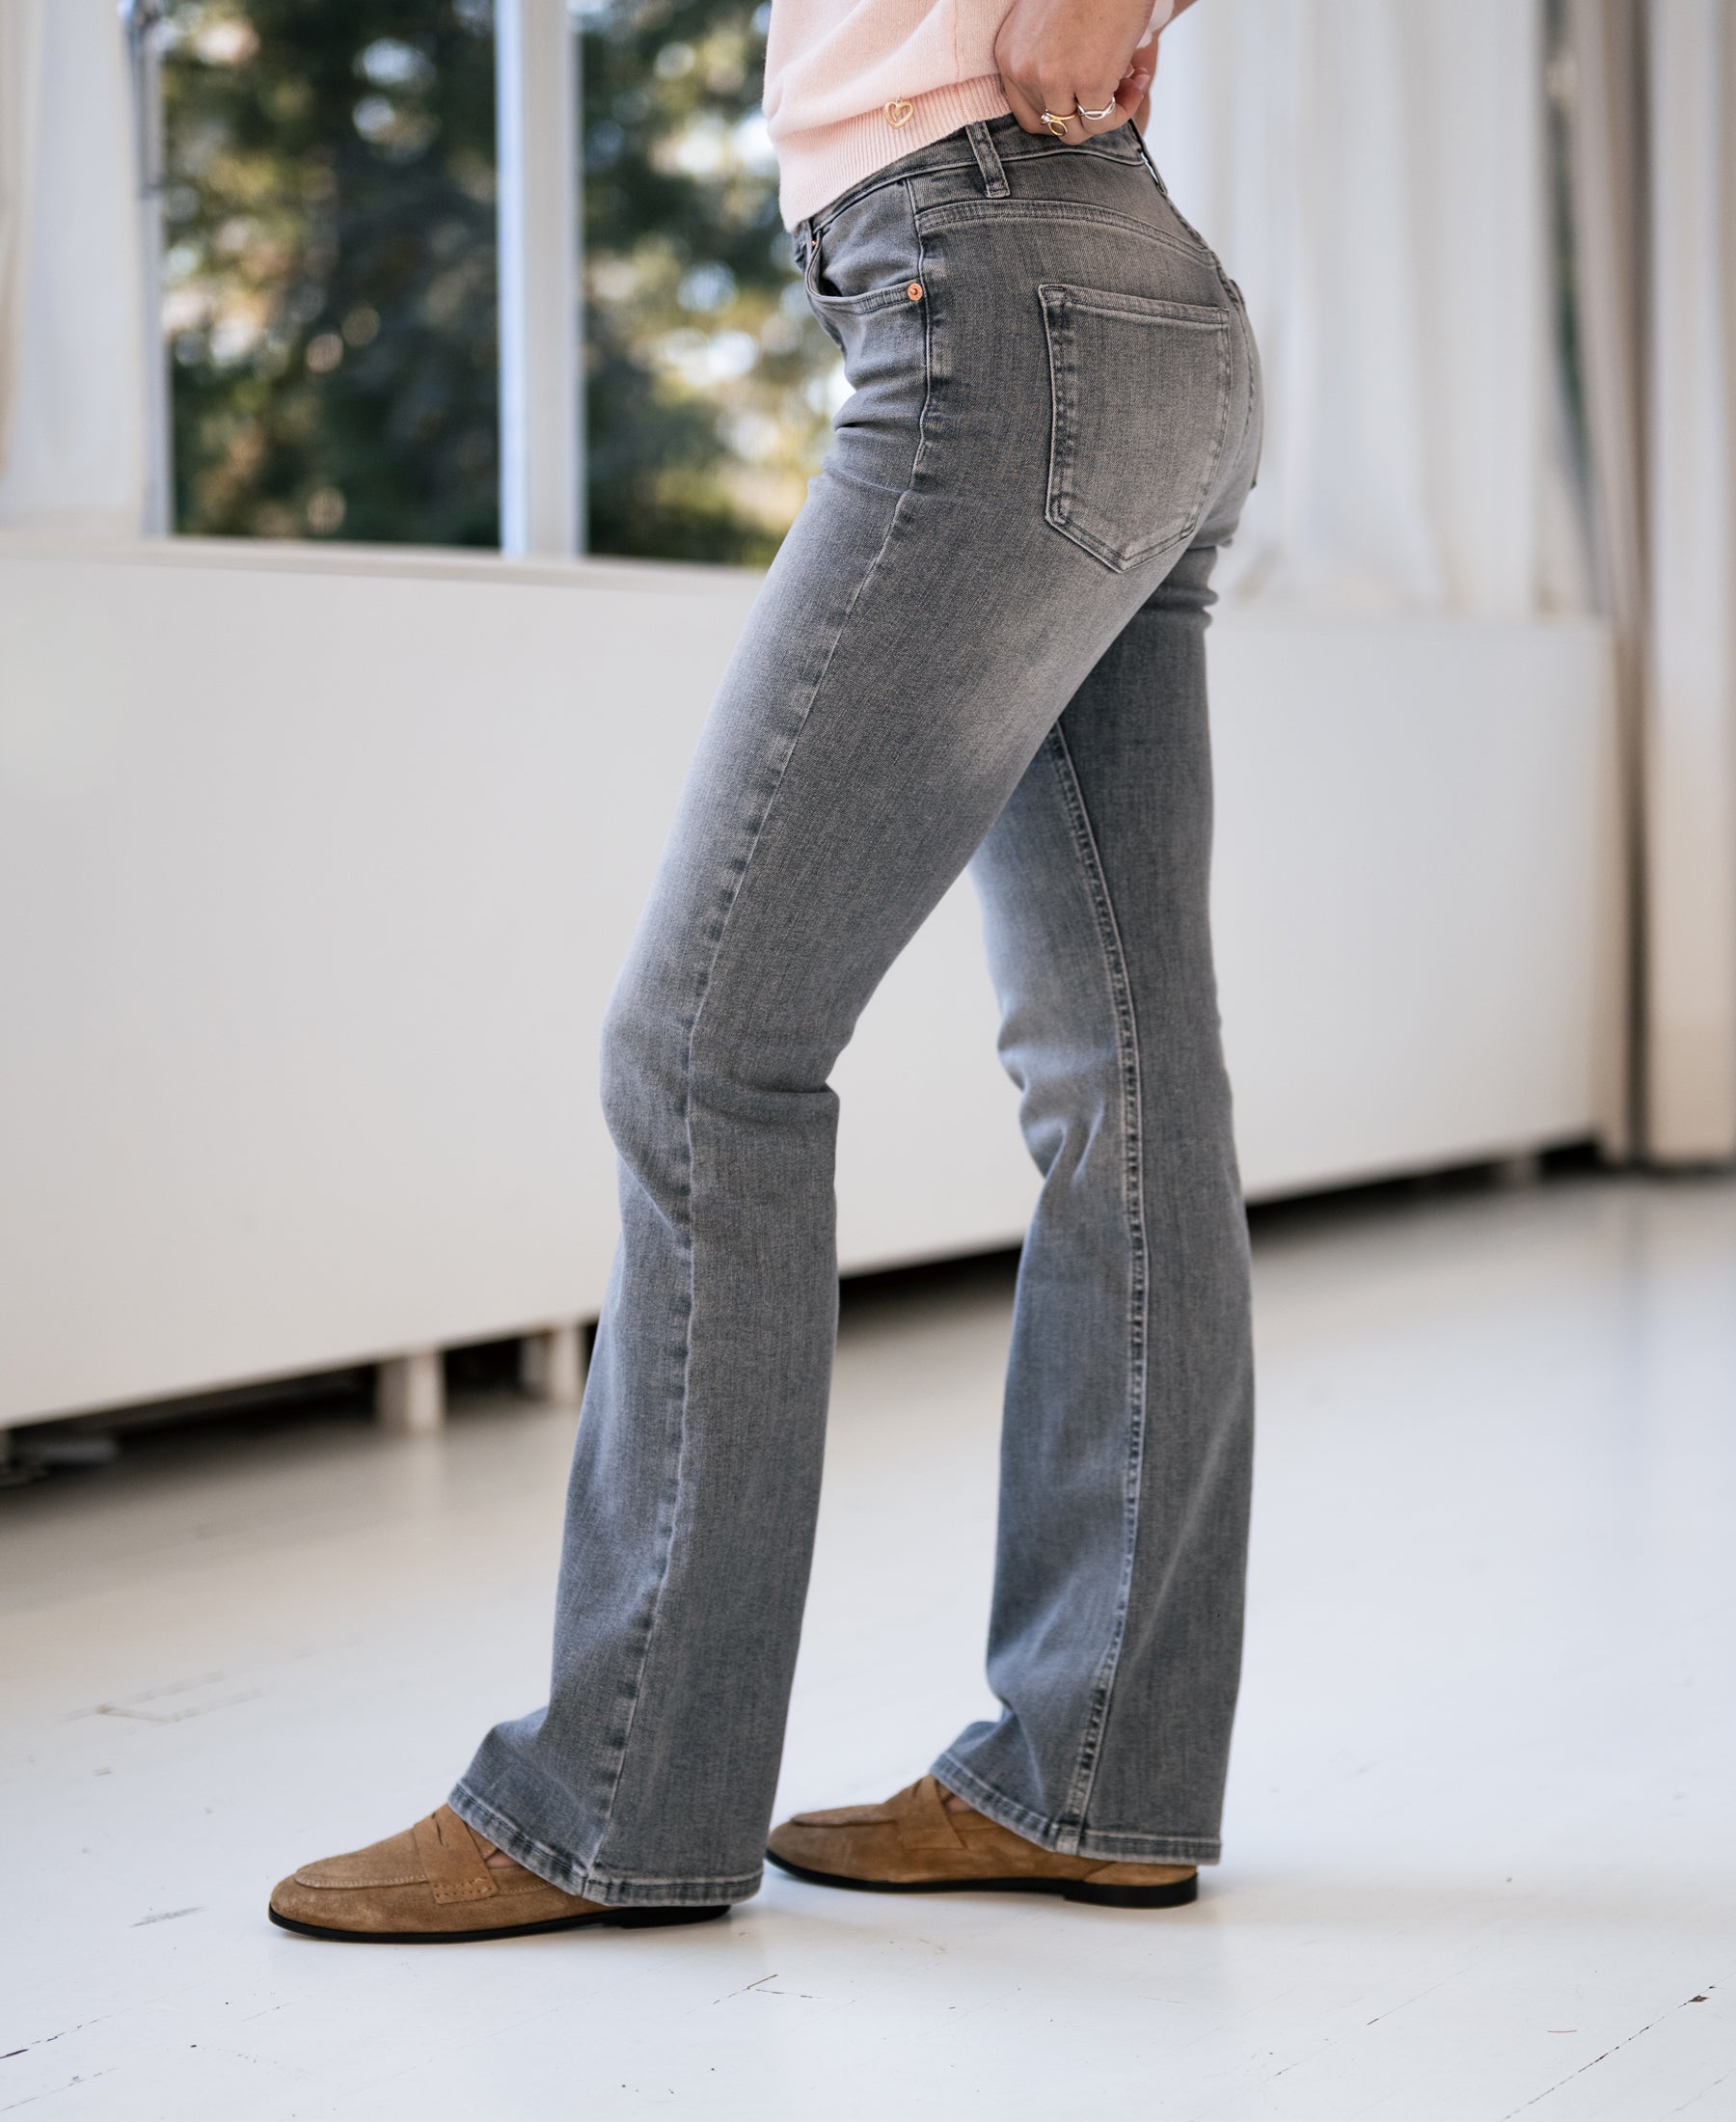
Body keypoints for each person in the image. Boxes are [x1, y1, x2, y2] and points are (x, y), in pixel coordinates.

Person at [268, 0, 1261, 1944]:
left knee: (706, 1054)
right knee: (1125, 1072)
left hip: (989, 281)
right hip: (1122, 297)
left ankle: (617, 1787)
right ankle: (1100, 1767)